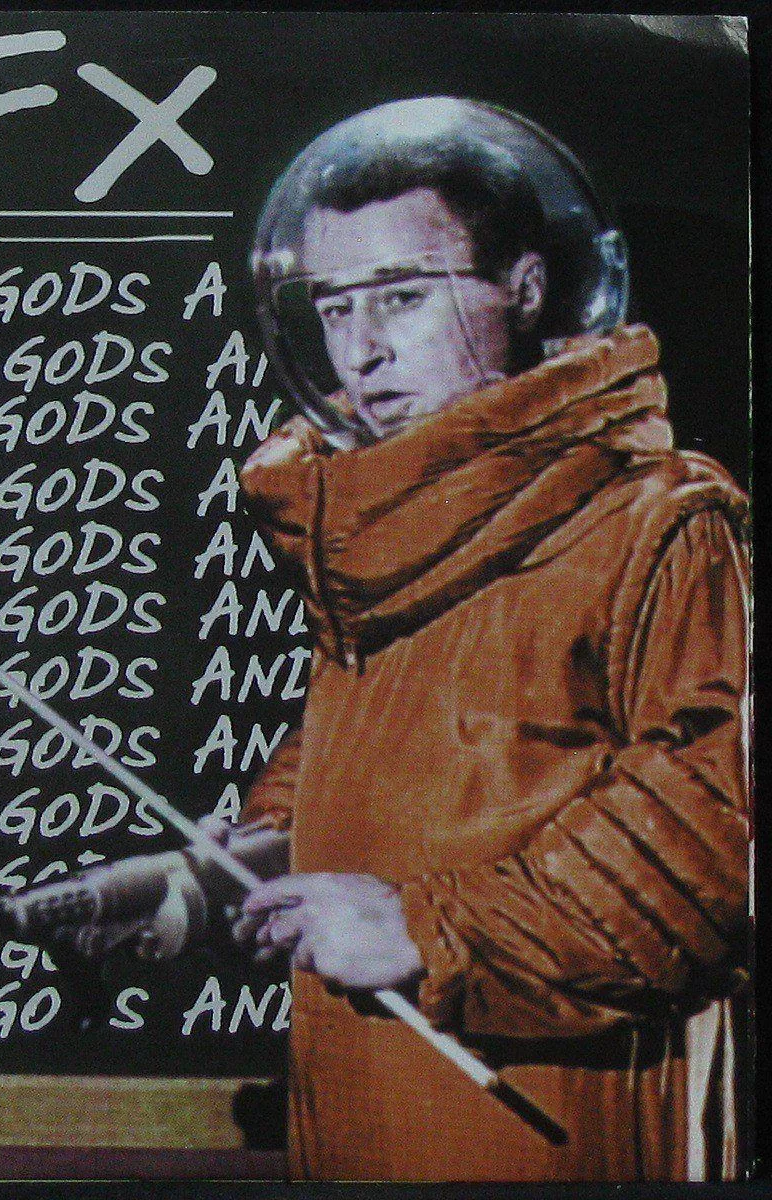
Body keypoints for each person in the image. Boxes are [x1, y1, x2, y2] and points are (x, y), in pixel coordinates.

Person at [213, 98, 749, 1181]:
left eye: (404, 296)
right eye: (334, 306)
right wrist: (231, 867)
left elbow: (711, 842)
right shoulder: (384, 526)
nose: (361, 349)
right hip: (354, 1105)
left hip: (544, 1115)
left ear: (528, 289)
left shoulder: (652, 523)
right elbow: (386, 751)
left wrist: (431, 933)